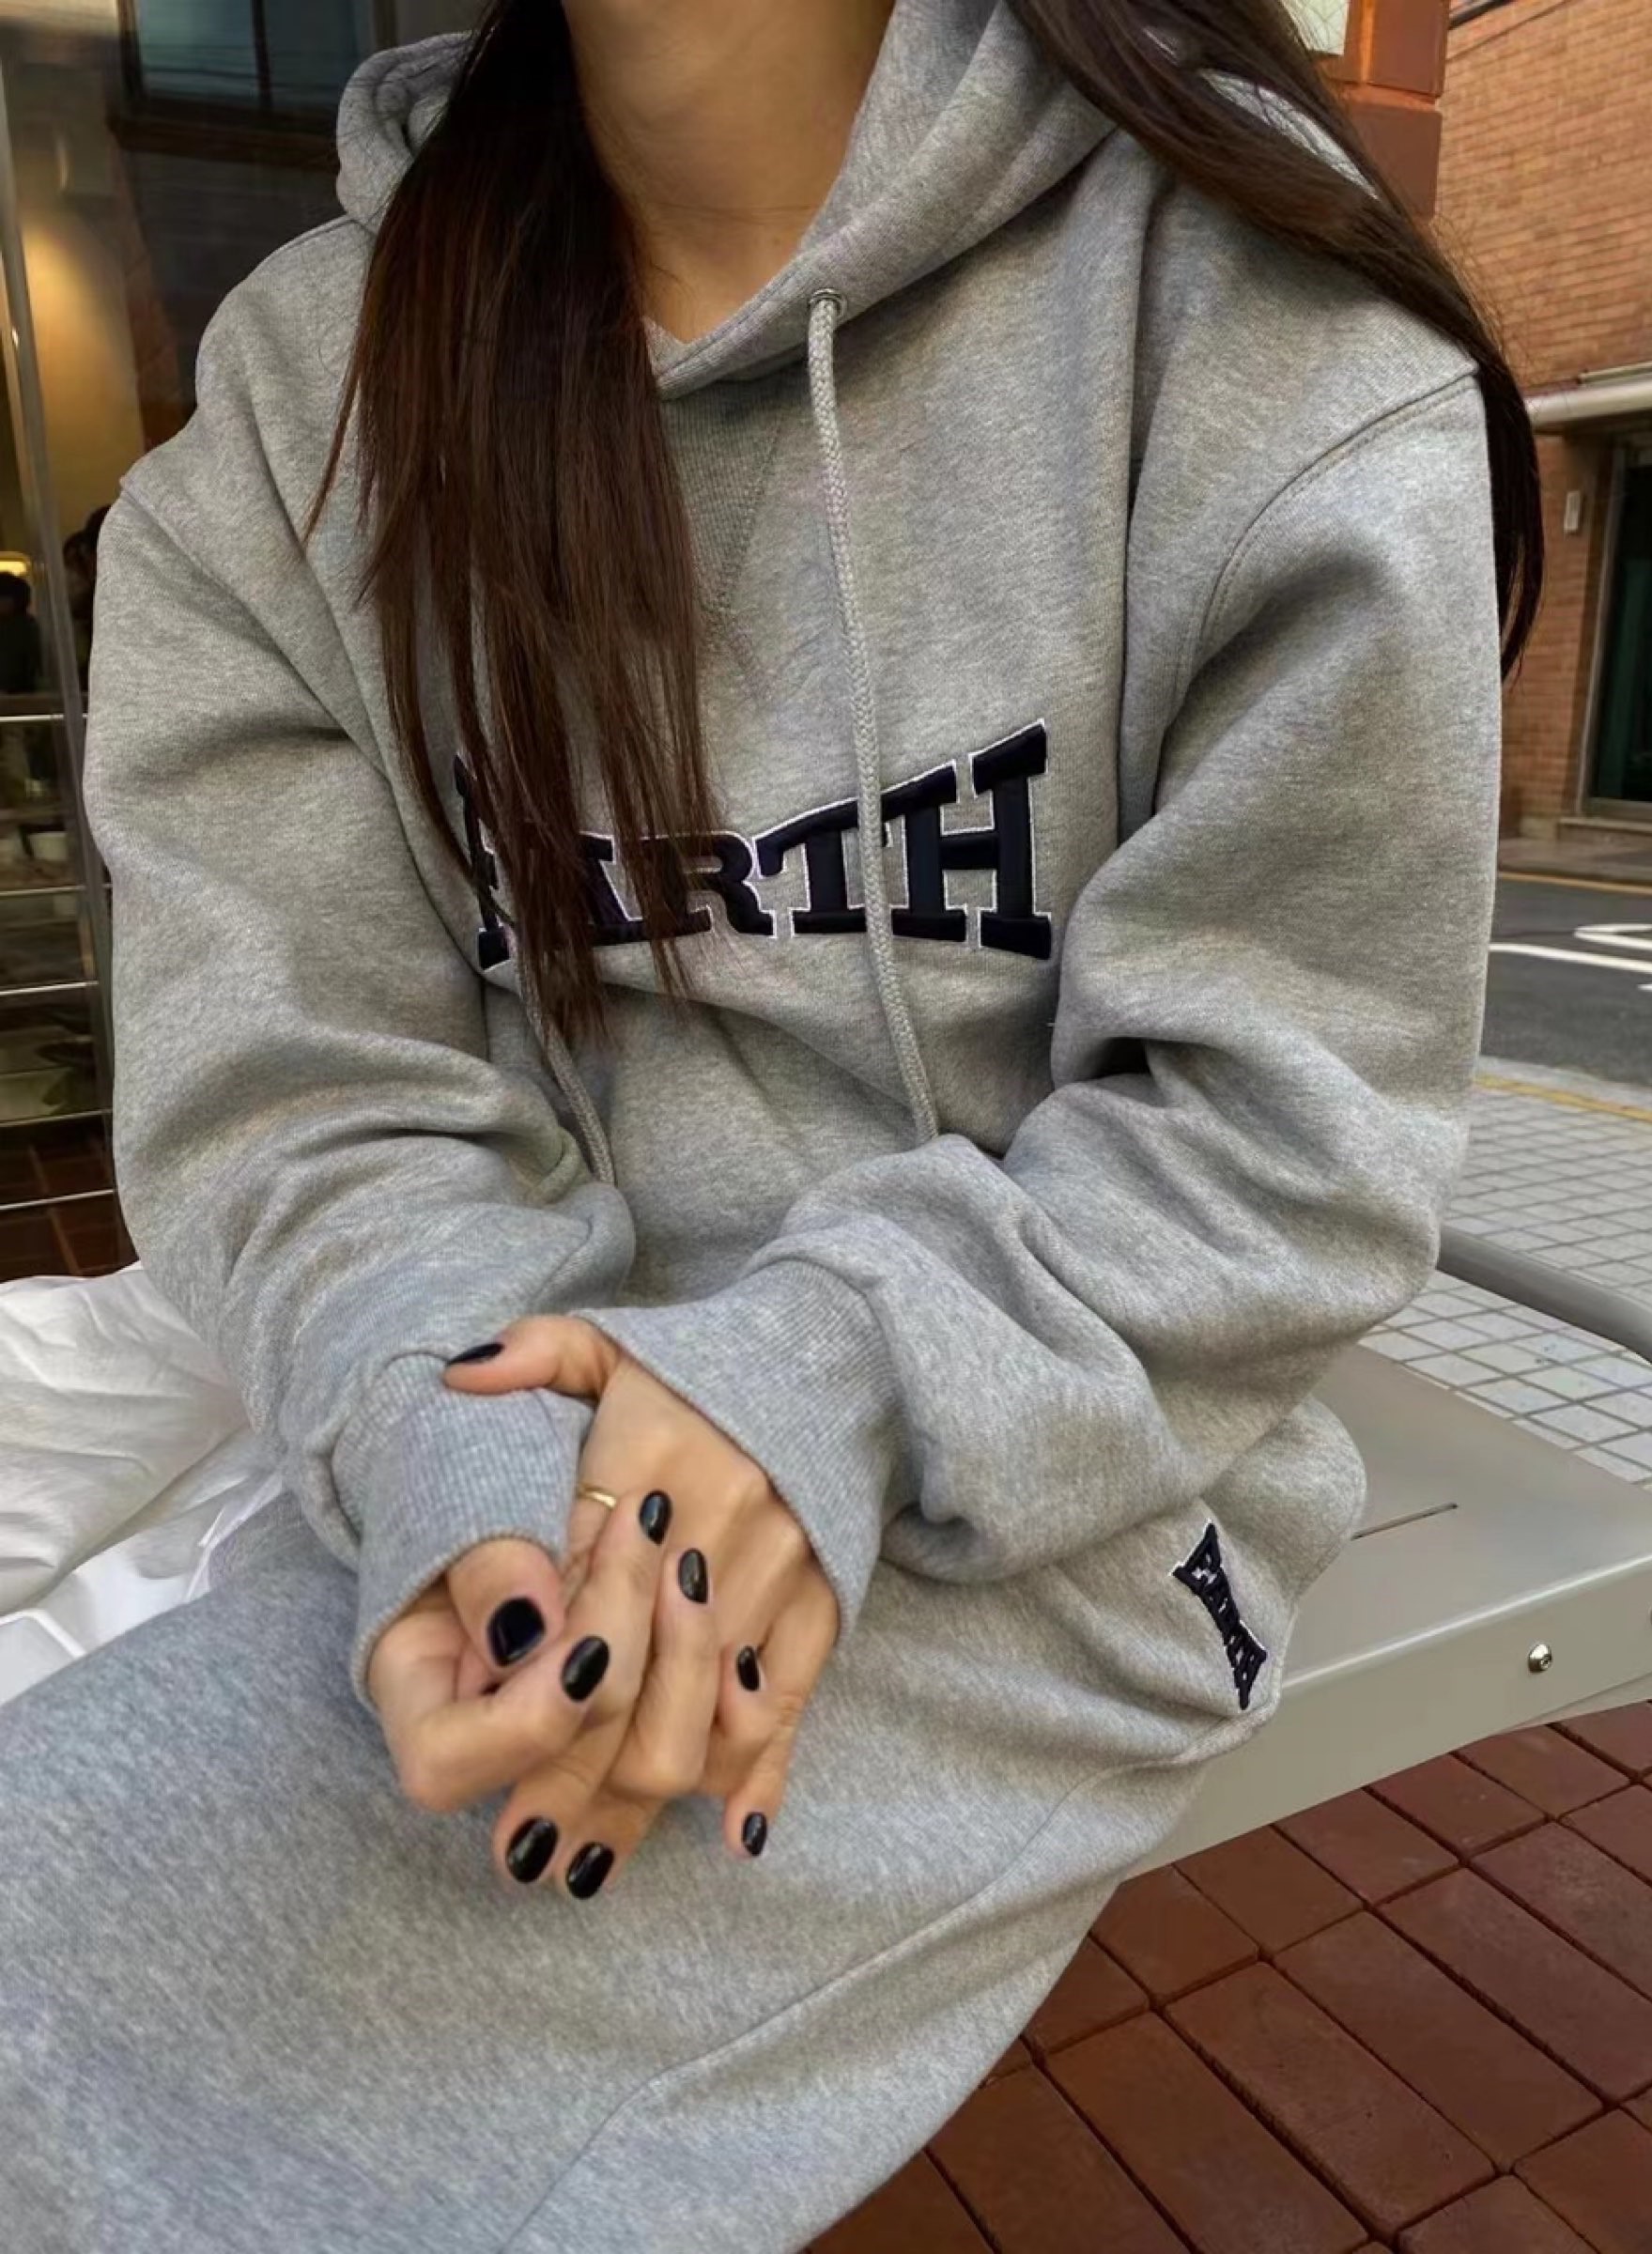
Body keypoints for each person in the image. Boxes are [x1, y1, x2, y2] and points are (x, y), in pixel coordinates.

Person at [0, 1, 1536, 2247]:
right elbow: (302, 1093)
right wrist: (467, 1460)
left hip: (1061, 1487)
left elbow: (1280, 1130)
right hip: (517, 1412)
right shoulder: (297, 408)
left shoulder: (1246, 317)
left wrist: (822, 1372)